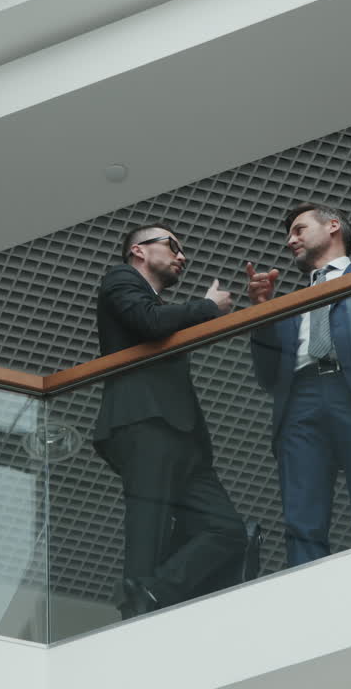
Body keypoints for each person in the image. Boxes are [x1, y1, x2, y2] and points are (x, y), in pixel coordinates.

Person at [246, 202, 351, 567]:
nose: (290, 240)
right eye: (289, 234)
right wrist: (261, 313)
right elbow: (267, 377)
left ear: (333, 226)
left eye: (298, 229)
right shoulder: (291, 302)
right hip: (300, 400)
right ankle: (307, 597)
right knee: (301, 518)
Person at [93, 222, 247, 618]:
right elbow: (148, 323)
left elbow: (156, 322)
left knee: (227, 529)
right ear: (139, 251)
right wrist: (208, 308)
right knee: (149, 519)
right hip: (144, 421)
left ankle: (154, 595)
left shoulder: (160, 308)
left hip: (182, 435)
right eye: (173, 246)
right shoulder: (120, 278)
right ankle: (136, 609)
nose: (182, 256)